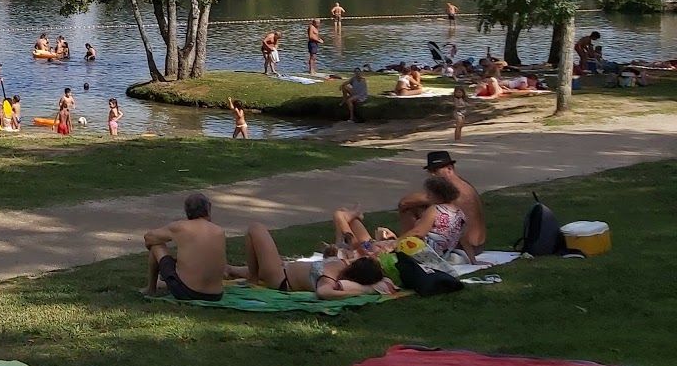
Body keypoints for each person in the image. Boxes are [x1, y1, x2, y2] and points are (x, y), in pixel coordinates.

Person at [240, 223, 396, 297]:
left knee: (255, 229)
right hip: (284, 269)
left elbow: (323, 292)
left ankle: (252, 279)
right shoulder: (342, 266)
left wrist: (360, 291)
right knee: (257, 237)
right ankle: (234, 271)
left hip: (280, 277)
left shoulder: (330, 277)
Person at [144, 192, 231, 302]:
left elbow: (149, 238)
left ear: (187, 211)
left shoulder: (181, 227)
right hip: (216, 295)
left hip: (188, 292)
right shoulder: (219, 231)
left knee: (156, 245)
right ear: (208, 208)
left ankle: (151, 289)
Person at [399, 150, 486, 252]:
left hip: (463, 247)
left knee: (412, 209)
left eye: (435, 171)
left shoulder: (450, 191)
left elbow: (404, 202)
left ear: (449, 169)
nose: (432, 175)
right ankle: (406, 244)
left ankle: (404, 246)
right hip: (476, 245)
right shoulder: (464, 185)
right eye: (430, 171)